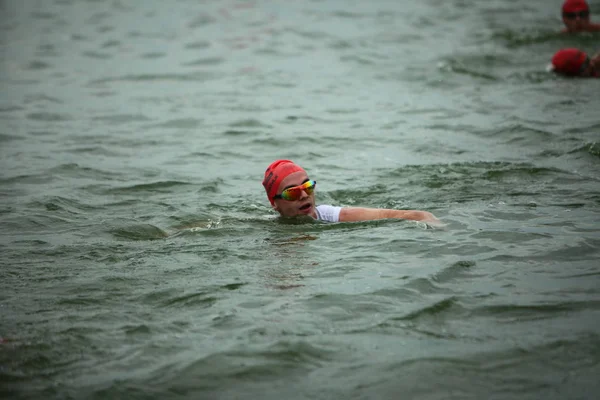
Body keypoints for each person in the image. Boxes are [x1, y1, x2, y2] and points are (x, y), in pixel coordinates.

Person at [262, 159, 440, 224]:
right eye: (292, 193)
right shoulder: (268, 228)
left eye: (308, 187)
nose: (303, 195)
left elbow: (393, 214)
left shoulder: (328, 215)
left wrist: (422, 216)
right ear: (274, 203)